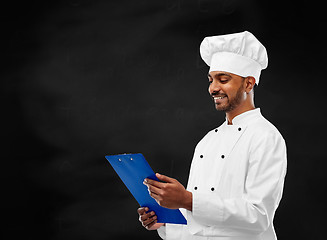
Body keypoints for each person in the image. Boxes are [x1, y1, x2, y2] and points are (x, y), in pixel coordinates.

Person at [137, 31, 287, 240]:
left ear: (249, 84)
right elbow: (201, 222)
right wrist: (165, 222)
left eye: (223, 79)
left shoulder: (265, 137)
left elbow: (259, 216)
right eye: (211, 80)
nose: (213, 88)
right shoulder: (207, 142)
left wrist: (187, 200)